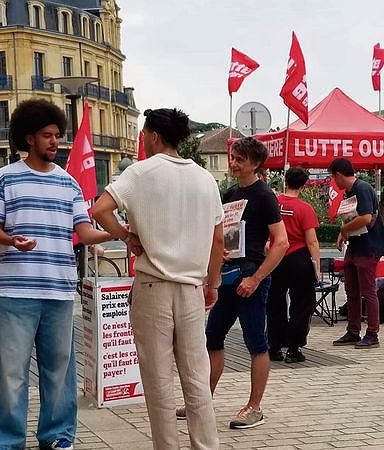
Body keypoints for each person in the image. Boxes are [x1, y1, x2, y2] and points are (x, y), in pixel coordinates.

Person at [0, 98, 112, 450]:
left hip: (59, 291)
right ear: (29, 138)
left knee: (60, 372)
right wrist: (11, 240)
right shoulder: (4, 177)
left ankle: (57, 436)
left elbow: (84, 233)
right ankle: (5, 441)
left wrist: (120, 232)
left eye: (57, 135)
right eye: (47, 135)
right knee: (10, 373)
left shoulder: (69, 184)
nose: (55, 142)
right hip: (15, 293)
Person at [92, 108, 223, 449]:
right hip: (193, 288)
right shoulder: (205, 178)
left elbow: (100, 209)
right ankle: (206, 445)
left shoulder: (139, 173)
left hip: (153, 288)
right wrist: (213, 283)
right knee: (196, 378)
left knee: (158, 381)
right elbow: (219, 238)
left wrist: (125, 235)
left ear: (151, 135)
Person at [198, 137, 289, 429]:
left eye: (239, 159)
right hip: (227, 275)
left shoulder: (264, 196)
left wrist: (256, 277)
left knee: (256, 342)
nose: (233, 163)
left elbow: (281, 242)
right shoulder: (230, 193)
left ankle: (254, 407)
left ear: (255, 163)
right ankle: (202, 401)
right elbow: (220, 232)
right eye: (232, 157)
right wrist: (218, 254)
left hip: (250, 276)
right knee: (212, 337)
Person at [329, 158, 384, 349]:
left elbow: (365, 218)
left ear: (339, 175)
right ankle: (353, 330)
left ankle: (372, 333)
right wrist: (344, 232)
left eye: (333, 177)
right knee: (351, 290)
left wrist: (344, 229)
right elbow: (352, 217)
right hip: (355, 246)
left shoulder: (363, 188)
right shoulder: (350, 192)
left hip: (368, 247)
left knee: (368, 291)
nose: (334, 182)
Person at [267, 168, 321, 364]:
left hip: (276, 258)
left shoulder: (274, 204)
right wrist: (316, 267)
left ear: (286, 181)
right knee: (302, 304)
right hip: (298, 258)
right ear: (304, 184)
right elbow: (312, 242)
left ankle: (273, 346)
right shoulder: (305, 209)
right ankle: (293, 348)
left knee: (275, 303)